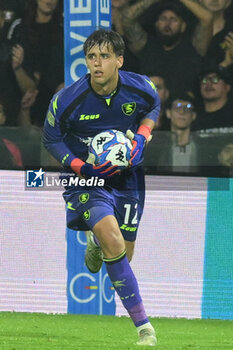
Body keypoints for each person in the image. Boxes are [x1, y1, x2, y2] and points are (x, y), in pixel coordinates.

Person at [43, 29, 160, 346]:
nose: (97, 64)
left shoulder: (141, 88)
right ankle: (144, 328)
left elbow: (153, 107)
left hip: (128, 177)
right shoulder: (67, 100)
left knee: (123, 252)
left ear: (119, 60)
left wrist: (141, 137)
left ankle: (95, 242)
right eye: (92, 57)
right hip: (86, 178)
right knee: (113, 239)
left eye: (105, 56)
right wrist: (80, 166)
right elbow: (51, 138)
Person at [121, 0, 203, 98]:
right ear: (156, 24)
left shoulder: (193, 47)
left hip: (180, 108)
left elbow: (207, 19)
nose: (167, 24)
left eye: (174, 20)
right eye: (163, 19)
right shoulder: (145, 44)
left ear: (183, 26)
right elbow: (127, 18)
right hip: (148, 106)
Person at [144, 93, 203, 174]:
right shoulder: (155, 145)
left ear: (194, 115)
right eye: (177, 107)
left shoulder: (202, 146)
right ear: (168, 113)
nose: (182, 112)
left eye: (188, 108)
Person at [194, 63, 233, 134]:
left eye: (215, 79)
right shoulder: (192, 117)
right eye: (204, 80)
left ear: (227, 87)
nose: (208, 83)